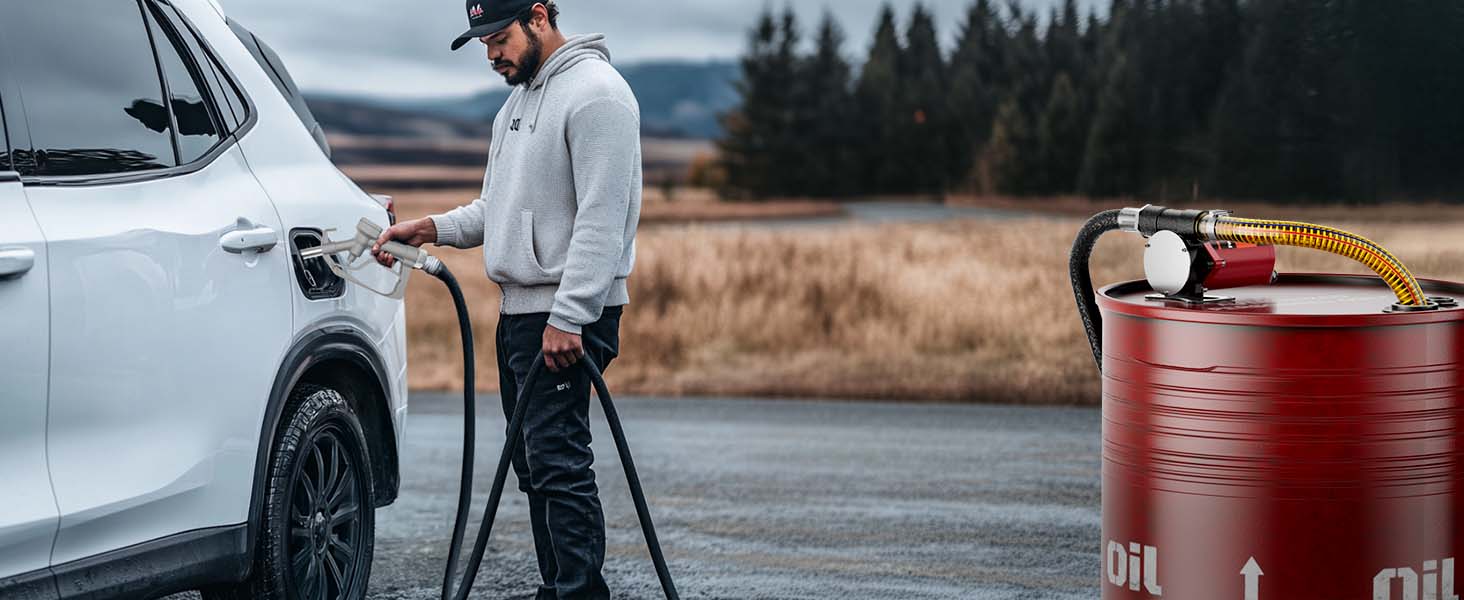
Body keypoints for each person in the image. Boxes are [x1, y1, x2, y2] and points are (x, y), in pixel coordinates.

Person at [372, 1, 641, 597]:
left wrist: (570, 316)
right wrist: (431, 228)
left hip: (569, 315)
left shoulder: (598, 95)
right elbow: (496, 209)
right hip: (522, 313)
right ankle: (559, 588)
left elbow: (602, 220)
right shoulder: (514, 107)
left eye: (499, 39)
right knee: (535, 464)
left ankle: (577, 594)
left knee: (558, 460)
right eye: (483, 44)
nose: (492, 55)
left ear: (539, 16)